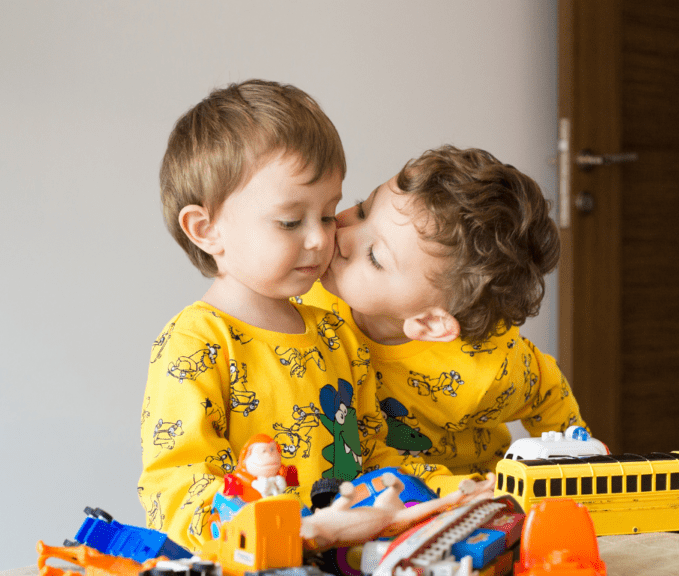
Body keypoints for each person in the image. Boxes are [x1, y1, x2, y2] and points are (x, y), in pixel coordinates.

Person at [138, 81, 486, 554]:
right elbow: (174, 494)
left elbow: (376, 455)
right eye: (290, 222)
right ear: (207, 229)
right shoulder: (196, 342)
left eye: (326, 214)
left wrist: (452, 493)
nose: (322, 240)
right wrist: (291, 531)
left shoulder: (335, 332)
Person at [300, 145, 587, 477]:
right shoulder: (308, 293)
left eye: (376, 257)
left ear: (430, 322)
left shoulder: (486, 369)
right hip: (369, 484)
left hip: (466, 489)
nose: (343, 235)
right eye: (363, 209)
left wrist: (575, 467)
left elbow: (546, 391)